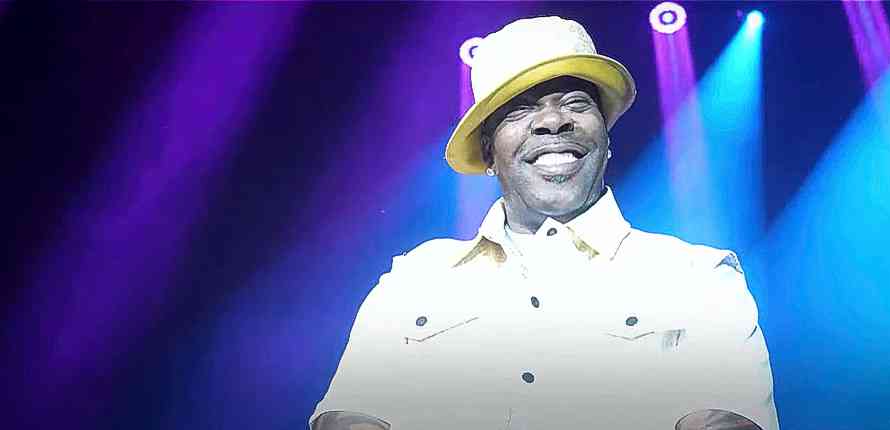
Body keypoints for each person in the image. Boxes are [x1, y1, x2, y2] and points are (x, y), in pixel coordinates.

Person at [311, 16, 779, 430]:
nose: (553, 121)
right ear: (489, 153)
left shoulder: (696, 277)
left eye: (576, 103)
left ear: (606, 139)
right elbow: (351, 415)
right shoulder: (414, 278)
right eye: (520, 108)